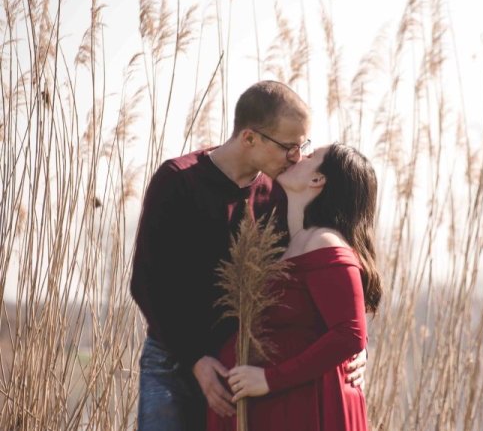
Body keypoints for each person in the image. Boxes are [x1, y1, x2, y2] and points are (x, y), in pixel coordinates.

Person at [130, 81, 366, 431]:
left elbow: (329, 284)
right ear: (249, 139)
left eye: (303, 147)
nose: (297, 157)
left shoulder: (281, 195)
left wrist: (357, 351)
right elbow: (146, 283)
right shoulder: (178, 182)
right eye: (289, 147)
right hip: (174, 362)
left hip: (243, 367)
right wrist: (195, 359)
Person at [206, 143, 382, 431]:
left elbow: (350, 334)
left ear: (317, 180)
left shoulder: (324, 241)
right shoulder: (294, 241)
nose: (299, 155)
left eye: (310, 156)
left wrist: (268, 380)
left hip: (309, 407)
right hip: (286, 405)